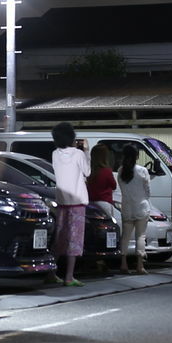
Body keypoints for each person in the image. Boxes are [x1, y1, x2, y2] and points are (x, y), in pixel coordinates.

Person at [50, 122, 91, 286]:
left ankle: (51, 273)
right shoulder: (78, 154)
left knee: (59, 238)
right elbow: (87, 172)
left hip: (61, 201)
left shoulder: (54, 154)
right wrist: (86, 151)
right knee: (74, 240)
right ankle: (69, 276)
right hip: (77, 202)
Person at [117, 157, 154, 274]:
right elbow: (148, 190)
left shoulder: (121, 171)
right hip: (141, 207)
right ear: (136, 156)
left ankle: (123, 264)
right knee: (140, 236)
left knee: (125, 236)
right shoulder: (142, 170)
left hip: (127, 207)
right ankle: (140, 266)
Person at [86, 147, 118, 278]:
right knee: (108, 233)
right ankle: (105, 260)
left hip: (92, 204)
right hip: (105, 203)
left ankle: (95, 260)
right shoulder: (106, 171)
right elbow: (114, 185)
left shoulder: (91, 172)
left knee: (96, 233)